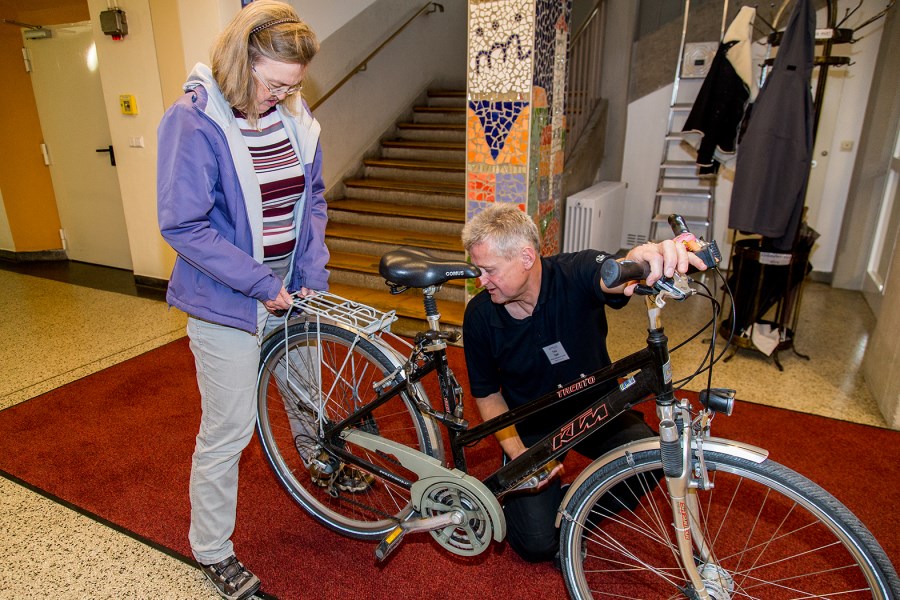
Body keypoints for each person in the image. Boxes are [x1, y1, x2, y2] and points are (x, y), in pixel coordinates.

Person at [156, 2, 328, 598]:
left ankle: (321, 461)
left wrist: (311, 272)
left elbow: (313, 199)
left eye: (293, 85)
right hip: (226, 293)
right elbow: (183, 225)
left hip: (289, 281)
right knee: (229, 427)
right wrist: (262, 285)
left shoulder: (292, 116)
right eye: (274, 82)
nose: (284, 95)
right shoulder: (193, 121)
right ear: (240, 61)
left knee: (307, 389)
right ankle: (212, 548)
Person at [461, 203, 707, 565]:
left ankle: (578, 509)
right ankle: (560, 502)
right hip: (534, 425)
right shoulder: (480, 315)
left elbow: (612, 274)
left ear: (526, 257)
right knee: (537, 544)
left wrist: (642, 257)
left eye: (489, 270)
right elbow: (486, 392)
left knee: (653, 457)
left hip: (597, 407)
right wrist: (518, 453)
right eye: (479, 270)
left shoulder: (573, 271)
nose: (481, 281)